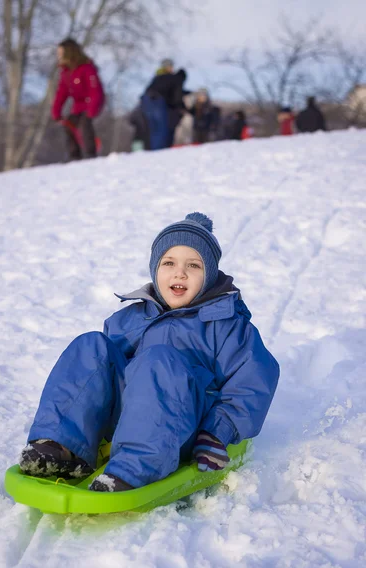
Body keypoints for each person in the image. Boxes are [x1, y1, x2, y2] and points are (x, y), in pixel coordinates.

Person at [19, 212, 280, 492]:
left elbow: (251, 384)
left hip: (186, 426)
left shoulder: (227, 326)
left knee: (159, 359)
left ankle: (136, 465)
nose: (179, 272)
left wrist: (217, 432)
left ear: (210, 275)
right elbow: (99, 377)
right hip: (128, 416)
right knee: (90, 344)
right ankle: (60, 445)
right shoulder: (129, 319)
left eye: (193, 265)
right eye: (169, 263)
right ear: (155, 269)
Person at [51, 38, 105, 160]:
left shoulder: (87, 69)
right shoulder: (66, 72)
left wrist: (92, 110)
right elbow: (61, 93)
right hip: (78, 106)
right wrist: (56, 111)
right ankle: (74, 156)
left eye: (60, 53)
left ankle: (91, 154)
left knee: (84, 125)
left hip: (92, 103)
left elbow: (95, 91)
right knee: (69, 124)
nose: (58, 56)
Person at [140, 59, 187, 150]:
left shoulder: (157, 77)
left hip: (146, 101)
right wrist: (180, 107)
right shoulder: (175, 78)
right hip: (157, 101)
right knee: (162, 128)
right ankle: (160, 151)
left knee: (153, 129)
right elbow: (177, 96)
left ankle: (154, 150)